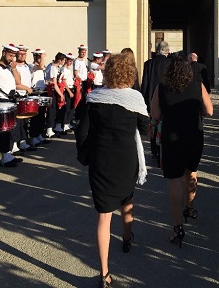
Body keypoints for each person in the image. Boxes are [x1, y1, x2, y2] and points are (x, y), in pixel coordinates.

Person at [85, 53, 149, 288]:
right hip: (126, 158)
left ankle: (104, 273)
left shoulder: (94, 97)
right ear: (129, 73)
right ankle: (126, 237)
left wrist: (85, 156)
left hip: (101, 158)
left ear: (108, 71)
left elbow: (82, 131)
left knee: (103, 215)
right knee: (127, 198)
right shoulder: (135, 98)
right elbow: (143, 127)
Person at [151, 53, 213, 247]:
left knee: (175, 180)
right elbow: (209, 111)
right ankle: (190, 206)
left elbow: (155, 114)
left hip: (171, 136)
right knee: (192, 172)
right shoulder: (197, 85)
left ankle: (177, 226)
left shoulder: (162, 87)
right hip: (193, 134)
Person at [0, 43, 24, 167]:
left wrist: (14, 68)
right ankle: (4, 157)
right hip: (2, 101)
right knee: (4, 131)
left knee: (10, 129)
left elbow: (18, 82)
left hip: (10, 101)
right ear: (3, 53)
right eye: (10, 55)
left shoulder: (10, 68)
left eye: (13, 56)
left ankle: (8, 153)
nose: (11, 58)